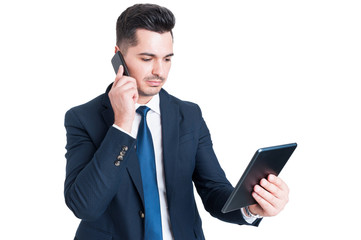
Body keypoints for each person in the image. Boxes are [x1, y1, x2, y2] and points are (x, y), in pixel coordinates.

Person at [64, 4, 290, 240]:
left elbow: (214, 190)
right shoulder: (83, 118)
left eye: (167, 59)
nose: (159, 71)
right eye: (147, 58)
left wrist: (250, 208)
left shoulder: (189, 115)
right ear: (118, 55)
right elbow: (84, 206)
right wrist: (121, 124)